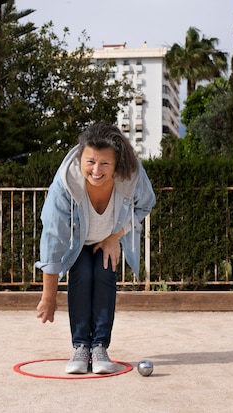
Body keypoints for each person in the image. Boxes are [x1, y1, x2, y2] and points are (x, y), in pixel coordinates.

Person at [35, 122, 155, 374]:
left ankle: (99, 346)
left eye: (105, 164)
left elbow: (145, 205)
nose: (96, 170)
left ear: (118, 164)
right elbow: (53, 238)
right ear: (81, 157)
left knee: (103, 276)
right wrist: (48, 297)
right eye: (90, 162)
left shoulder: (131, 175)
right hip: (76, 242)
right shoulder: (66, 182)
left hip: (107, 238)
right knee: (82, 276)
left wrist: (115, 237)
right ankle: (80, 346)